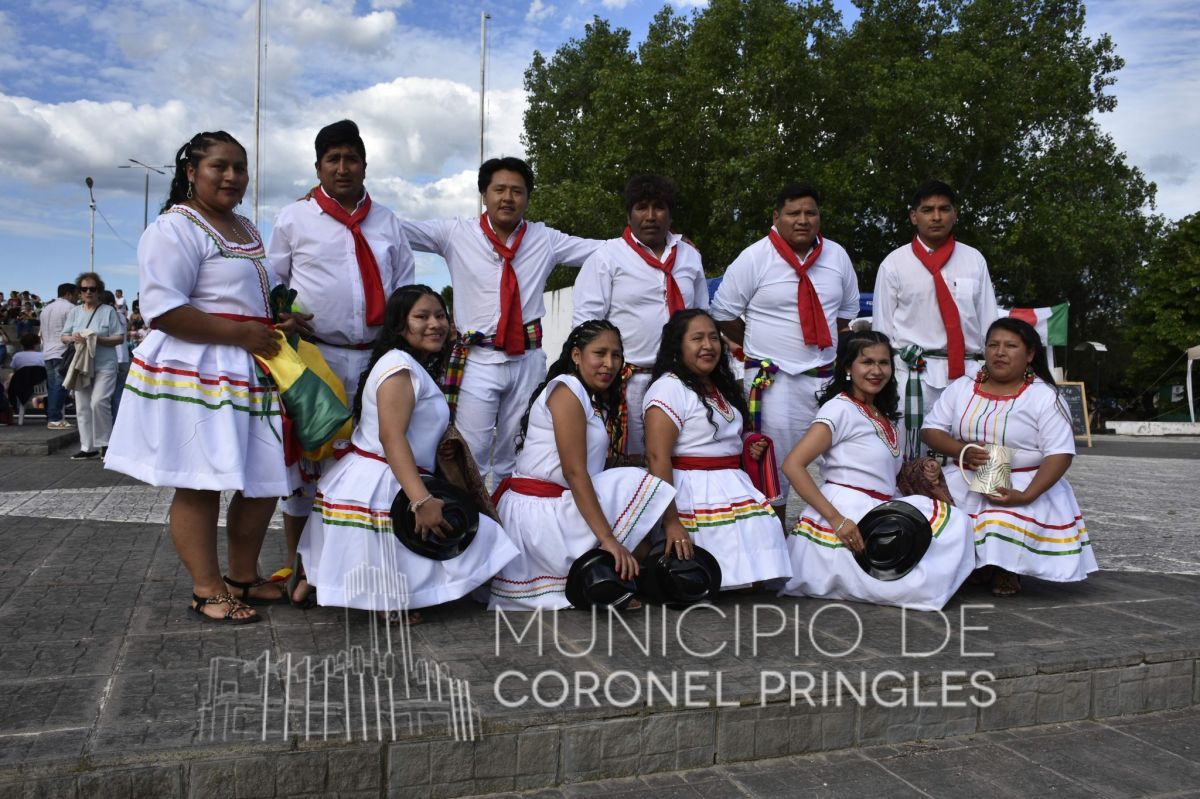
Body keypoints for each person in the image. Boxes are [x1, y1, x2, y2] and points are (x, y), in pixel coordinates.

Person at [106, 130, 301, 624]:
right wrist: (240, 333)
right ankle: (207, 589)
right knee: (200, 481)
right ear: (191, 172)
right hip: (200, 368)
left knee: (263, 479)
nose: (232, 176)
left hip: (249, 366)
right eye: (220, 166)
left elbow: (250, 295)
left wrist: (278, 319)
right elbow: (164, 309)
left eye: (240, 168)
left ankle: (242, 576)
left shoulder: (245, 228)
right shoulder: (175, 227)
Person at [300, 285, 518, 623]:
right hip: (384, 484)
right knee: (487, 539)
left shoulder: (407, 364)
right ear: (400, 325)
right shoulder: (399, 368)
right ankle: (386, 597)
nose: (435, 324)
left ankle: (313, 583)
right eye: (422, 317)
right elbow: (391, 437)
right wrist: (421, 500)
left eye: (440, 316)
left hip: (383, 477)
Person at [266, 119, 416, 605]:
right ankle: (301, 569)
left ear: (365, 165)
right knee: (307, 466)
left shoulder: (387, 222)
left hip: (376, 360)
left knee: (371, 463)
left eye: (352, 158)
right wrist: (284, 318)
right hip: (316, 357)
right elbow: (271, 285)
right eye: (333, 159)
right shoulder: (294, 218)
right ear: (318, 168)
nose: (343, 167)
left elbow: (405, 288)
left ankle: (364, 569)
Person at [403, 157, 602, 484]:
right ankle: (474, 516)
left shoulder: (544, 239)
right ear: (484, 194)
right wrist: (335, 204)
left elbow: (601, 251)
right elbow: (397, 229)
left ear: (528, 198)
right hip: (477, 359)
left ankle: (511, 513)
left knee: (519, 451)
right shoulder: (456, 233)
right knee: (472, 454)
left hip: (527, 360)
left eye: (517, 191)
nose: (508, 198)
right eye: (499, 190)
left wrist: (668, 242)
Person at [778, 331, 975, 610]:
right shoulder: (839, 409)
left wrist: (921, 469)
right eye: (867, 362)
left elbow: (882, 472)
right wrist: (837, 520)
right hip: (848, 510)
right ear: (848, 367)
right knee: (914, 584)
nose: (876, 371)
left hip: (879, 507)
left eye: (884, 363)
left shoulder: (879, 413)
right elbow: (792, 465)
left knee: (956, 523)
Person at [488, 320, 675, 611]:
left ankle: (625, 576)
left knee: (635, 482)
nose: (609, 364)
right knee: (632, 482)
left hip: (556, 503)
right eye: (600, 353)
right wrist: (608, 539)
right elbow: (574, 472)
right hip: (541, 512)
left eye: (616, 355)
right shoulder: (567, 390)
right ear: (576, 355)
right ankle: (614, 576)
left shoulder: (585, 396)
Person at [709, 183, 860, 526]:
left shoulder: (837, 256)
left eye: (810, 213)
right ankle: (775, 542)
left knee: (840, 462)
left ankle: (830, 539)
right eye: (793, 213)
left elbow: (845, 316)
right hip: (772, 381)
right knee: (772, 469)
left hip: (825, 378)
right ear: (776, 217)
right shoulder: (755, 257)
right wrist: (758, 346)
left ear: (819, 217)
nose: (803, 220)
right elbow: (723, 312)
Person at [921, 317, 1097, 597]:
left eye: (1011, 346)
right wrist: (962, 450)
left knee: (1002, 520)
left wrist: (1026, 495)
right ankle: (978, 564)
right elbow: (930, 430)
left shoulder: (1044, 397)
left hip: (1025, 480)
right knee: (937, 516)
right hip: (966, 475)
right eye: (993, 345)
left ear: (1030, 354)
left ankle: (1006, 567)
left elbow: (1060, 454)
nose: (1000, 352)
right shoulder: (963, 387)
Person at [642, 310, 792, 589]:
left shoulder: (719, 385)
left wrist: (750, 444)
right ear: (678, 345)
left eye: (713, 338)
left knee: (755, 572)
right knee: (711, 573)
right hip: (693, 491)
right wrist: (671, 521)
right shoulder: (668, 389)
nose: (708, 345)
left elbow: (724, 438)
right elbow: (656, 456)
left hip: (733, 485)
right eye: (697, 338)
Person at [572, 175, 708, 461]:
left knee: (677, 457)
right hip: (627, 382)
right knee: (628, 462)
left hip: (680, 380)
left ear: (670, 214)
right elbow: (586, 326)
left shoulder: (689, 256)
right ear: (628, 214)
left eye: (659, 207)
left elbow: (701, 317)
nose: (650, 216)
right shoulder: (607, 257)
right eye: (641, 207)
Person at [872, 180, 999, 458]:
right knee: (908, 454)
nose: (937, 216)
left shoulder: (974, 260)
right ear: (913, 216)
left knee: (969, 449)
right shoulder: (894, 263)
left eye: (944, 209)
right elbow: (881, 331)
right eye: (928, 210)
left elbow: (990, 323)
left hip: (967, 373)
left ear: (955, 214)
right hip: (913, 374)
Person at [61, 272, 122, 460]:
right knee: (82, 406)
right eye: (84, 289)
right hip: (81, 365)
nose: (88, 292)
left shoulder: (108, 311)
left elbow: (119, 338)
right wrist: (73, 338)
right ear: (79, 292)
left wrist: (96, 339)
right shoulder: (74, 312)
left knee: (99, 402)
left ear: (99, 291)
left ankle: (105, 444)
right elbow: (63, 336)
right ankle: (88, 447)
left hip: (105, 364)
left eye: (92, 289)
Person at [40, 282, 79, 429]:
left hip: (47, 351)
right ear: (68, 294)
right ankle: (55, 418)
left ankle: (53, 417)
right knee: (60, 386)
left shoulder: (45, 309)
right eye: (75, 294)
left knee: (53, 386)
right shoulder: (71, 308)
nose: (77, 297)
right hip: (62, 351)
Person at [101, 290, 130, 418]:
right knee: (119, 394)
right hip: (124, 359)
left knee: (105, 396)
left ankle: (108, 425)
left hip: (110, 360)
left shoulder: (104, 316)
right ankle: (118, 424)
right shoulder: (122, 316)